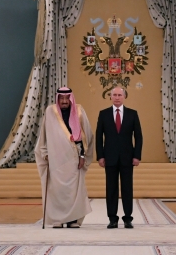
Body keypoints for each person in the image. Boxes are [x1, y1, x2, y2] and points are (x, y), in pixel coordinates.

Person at [36, 87, 93, 228]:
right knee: (57, 190)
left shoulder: (79, 111)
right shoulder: (50, 112)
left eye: (67, 98)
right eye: (61, 98)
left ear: (71, 98)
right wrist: (45, 154)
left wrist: (82, 156)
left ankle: (73, 220)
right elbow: (43, 135)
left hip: (74, 159)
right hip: (56, 159)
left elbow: (86, 135)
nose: (64, 101)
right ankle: (58, 219)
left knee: (73, 191)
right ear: (57, 99)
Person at [96, 86, 142, 229]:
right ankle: (112, 218)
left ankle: (128, 218)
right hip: (109, 157)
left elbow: (139, 137)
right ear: (110, 97)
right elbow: (98, 137)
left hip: (128, 158)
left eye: (119, 95)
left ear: (124, 97)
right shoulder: (103, 114)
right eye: (114, 95)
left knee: (127, 188)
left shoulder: (132, 114)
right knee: (111, 189)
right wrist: (100, 156)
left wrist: (137, 156)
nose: (116, 97)